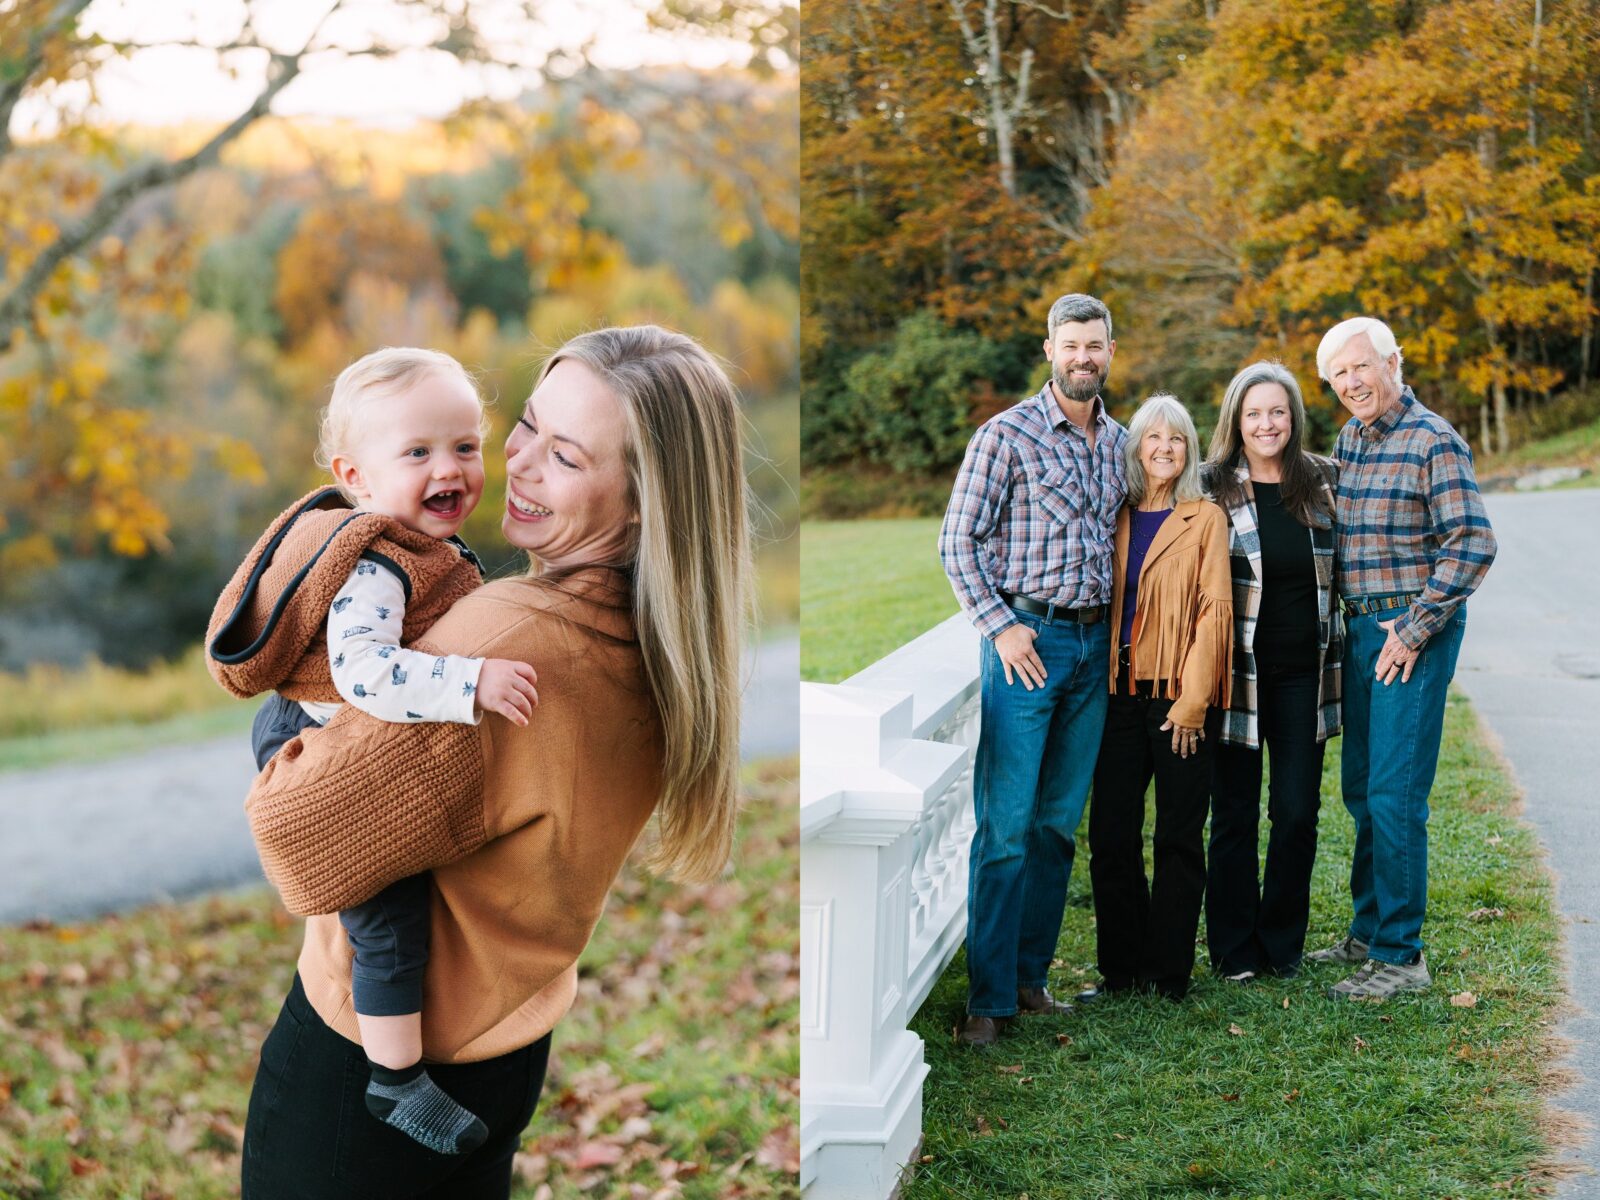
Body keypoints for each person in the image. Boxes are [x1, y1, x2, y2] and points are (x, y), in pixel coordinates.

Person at [235, 325, 751, 1197]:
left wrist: (298, 722)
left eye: (568, 457)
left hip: (372, 1076)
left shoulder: (506, 643)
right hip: (508, 1046)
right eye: (528, 428)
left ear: (642, 504)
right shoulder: (656, 645)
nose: (518, 465)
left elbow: (294, 836)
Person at [207, 347, 540, 1156]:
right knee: (386, 906)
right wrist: (468, 682)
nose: (450, 469)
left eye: (465, 446)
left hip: (333, 719)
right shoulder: (378, 568)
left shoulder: (421, 547)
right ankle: (396, 1077)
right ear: (356, 477)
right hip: (317, 735)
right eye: (418, 452)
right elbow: (364, 673)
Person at [938, 293, 1128, 1046]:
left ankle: (1029, 977)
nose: (1085, 357)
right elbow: (958, 543)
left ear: (1111, 351)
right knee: (1007, 826)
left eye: (1097, 345)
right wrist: (1002, 628)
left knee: (1055, 827)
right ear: (1050, 349)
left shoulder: (1120, 441)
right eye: (1072, 344)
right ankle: (987, 1001)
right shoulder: (1006, 435)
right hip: (1027, 646)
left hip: (1091, 650)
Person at [1307, 317, 1496, 1000]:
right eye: (1339, 376)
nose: (1353, 383)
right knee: (1361, 787)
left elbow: (1472, 542)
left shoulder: (1432, 440)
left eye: (1362, 367)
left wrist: (1412, 630)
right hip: (1359, 632)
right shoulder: (1351, 439)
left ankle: (1400, 955)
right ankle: (1367, 929)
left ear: (1393, 360)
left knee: (1395, 793)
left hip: (1408, 635)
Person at [1087, 393, 1231, 1001]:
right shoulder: (1114, 515)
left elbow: (1214, 610)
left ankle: (1167, 973)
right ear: (1136, 447)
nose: (1165, 448)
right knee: (1111, 836)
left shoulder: (1206, 517)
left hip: (1177, 701)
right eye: (1154, 438)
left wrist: (1193, 701)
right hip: (1118, 697)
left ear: (1189, 449)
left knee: (1177, 835)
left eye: (1176, 439)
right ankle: (1120, 971)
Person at [1201, 362, 1342, 983]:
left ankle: (1282, 943)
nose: (1267, 424)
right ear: (1236, 419)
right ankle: (1234, 950)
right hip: (1236, 673)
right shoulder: (1208, 487)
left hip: (1305, 676)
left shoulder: (1323, 481)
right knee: (1232, 812)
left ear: (1294, 417)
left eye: (1277, 412)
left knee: (1296, 812)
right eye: (1254, 413)